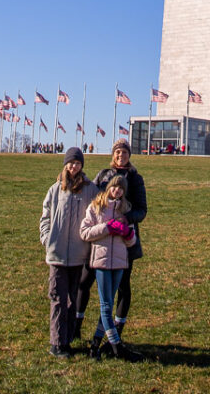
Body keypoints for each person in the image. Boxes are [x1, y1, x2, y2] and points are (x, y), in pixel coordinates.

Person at [73, 137, 147, 342]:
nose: (120, 156)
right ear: (112, 155)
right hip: (99, 238)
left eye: (124, 152)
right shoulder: (103, 175)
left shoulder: (135, 178)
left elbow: (142, 209)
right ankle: (76, 326)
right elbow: (92, 199)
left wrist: (124, 221)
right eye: (117, 152)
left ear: (129, 155)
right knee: (84, 281)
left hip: (124, 241)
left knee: (123, 287)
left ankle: (116, 332)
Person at [39, 147, 97, 358]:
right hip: (57, 254)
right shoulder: (55, 189)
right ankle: (57, 343)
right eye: (71, 163)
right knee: (57, 298)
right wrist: (47, 239)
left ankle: (69, 336)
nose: (74, 167)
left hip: (78, 254)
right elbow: (45, 216)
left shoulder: (90, 189)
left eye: (78, 163)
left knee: (72, 298)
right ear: (65, 165)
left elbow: (102, 208)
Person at [79, 174, 140, 360]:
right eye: (115, 187)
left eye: (121, 189)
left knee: (108, 305)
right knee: (106, 305)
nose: (117, 191)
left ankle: (95, 345)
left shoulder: (125, 210)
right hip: (102, 262)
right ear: (109, 187)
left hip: (120, 262)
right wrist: (107, 228)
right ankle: (116, 346)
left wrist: (128, 234)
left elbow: (132, 241)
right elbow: (84, 232)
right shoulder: (96, 207)